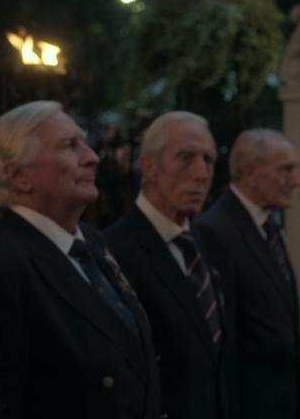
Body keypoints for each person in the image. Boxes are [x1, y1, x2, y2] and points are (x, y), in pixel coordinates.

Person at [0, 101, 160, 419]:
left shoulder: (93, 242)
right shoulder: (0, 264)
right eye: (69, 146)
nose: (91, 157)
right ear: (18, 175)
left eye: (84, 143)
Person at [105, 111, 233, 419]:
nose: (201, 173)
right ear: (149, 166)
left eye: (208, 160)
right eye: (186, 158)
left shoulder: (207, 243)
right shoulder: (114, 250)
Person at [195, 128, 300, 419]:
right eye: (285, 170)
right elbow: (224, 339)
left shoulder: (268, 225)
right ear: (251, 174)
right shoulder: (215, 231)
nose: (295, 181)